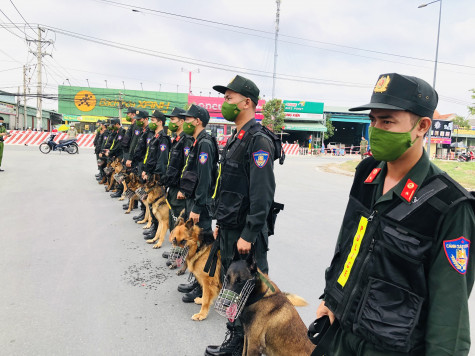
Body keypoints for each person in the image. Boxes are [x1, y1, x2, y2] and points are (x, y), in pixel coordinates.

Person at [316, 73, 475, 356]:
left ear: (422, 126)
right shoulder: (367, 173)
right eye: (373, 120)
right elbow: (348, 244)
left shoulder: (449, 204)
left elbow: (450, 311)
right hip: (341, 335)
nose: (375, 129)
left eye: (387, 121)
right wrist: (330, 298)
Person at [205, 75, 280, 356]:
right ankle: (236, 340)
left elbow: (262, 195)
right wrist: (220, 224)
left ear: (247, 102)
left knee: (249, 294)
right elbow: (227, 188)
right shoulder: (237, 138)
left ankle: (247, 347)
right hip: (230, 228)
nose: (224, 103)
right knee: (232, 287)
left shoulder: (257, 140)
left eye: (229, 98)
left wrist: (249, 234)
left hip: (244, 234)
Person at [177, 104, 218, 303]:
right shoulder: (197, 142)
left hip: (200, 205)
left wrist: (197, 207)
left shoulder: (205, 144)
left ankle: (203, 288)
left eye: (187, 119)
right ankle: (196, 282)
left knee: (202, 248)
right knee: (195, 247)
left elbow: (205, 179)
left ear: (197, 121)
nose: (185, 122)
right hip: (195, 201)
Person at [162, 107, 194, 232]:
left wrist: (183, 188)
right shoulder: (177, 139)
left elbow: (188, 166)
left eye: (173, 119)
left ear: (181, 121)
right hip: (173, 185)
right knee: (173, 214)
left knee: (179, 218)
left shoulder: (186, 140)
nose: (171, 123)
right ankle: (174, 246)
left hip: (180, 188)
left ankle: (178, 248)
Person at [141, 110, 171, 240]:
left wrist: (157, 176)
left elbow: (162, 160)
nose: (151, 123)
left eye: (153, 121)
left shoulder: (163, 138)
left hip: (156, 177)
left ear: (160, 122)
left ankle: (156, 229)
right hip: (151, 173)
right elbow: (151, 157)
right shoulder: (155, 136)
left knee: (157, 203)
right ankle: (154, 226)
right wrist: (146, 170)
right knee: (152, 202)